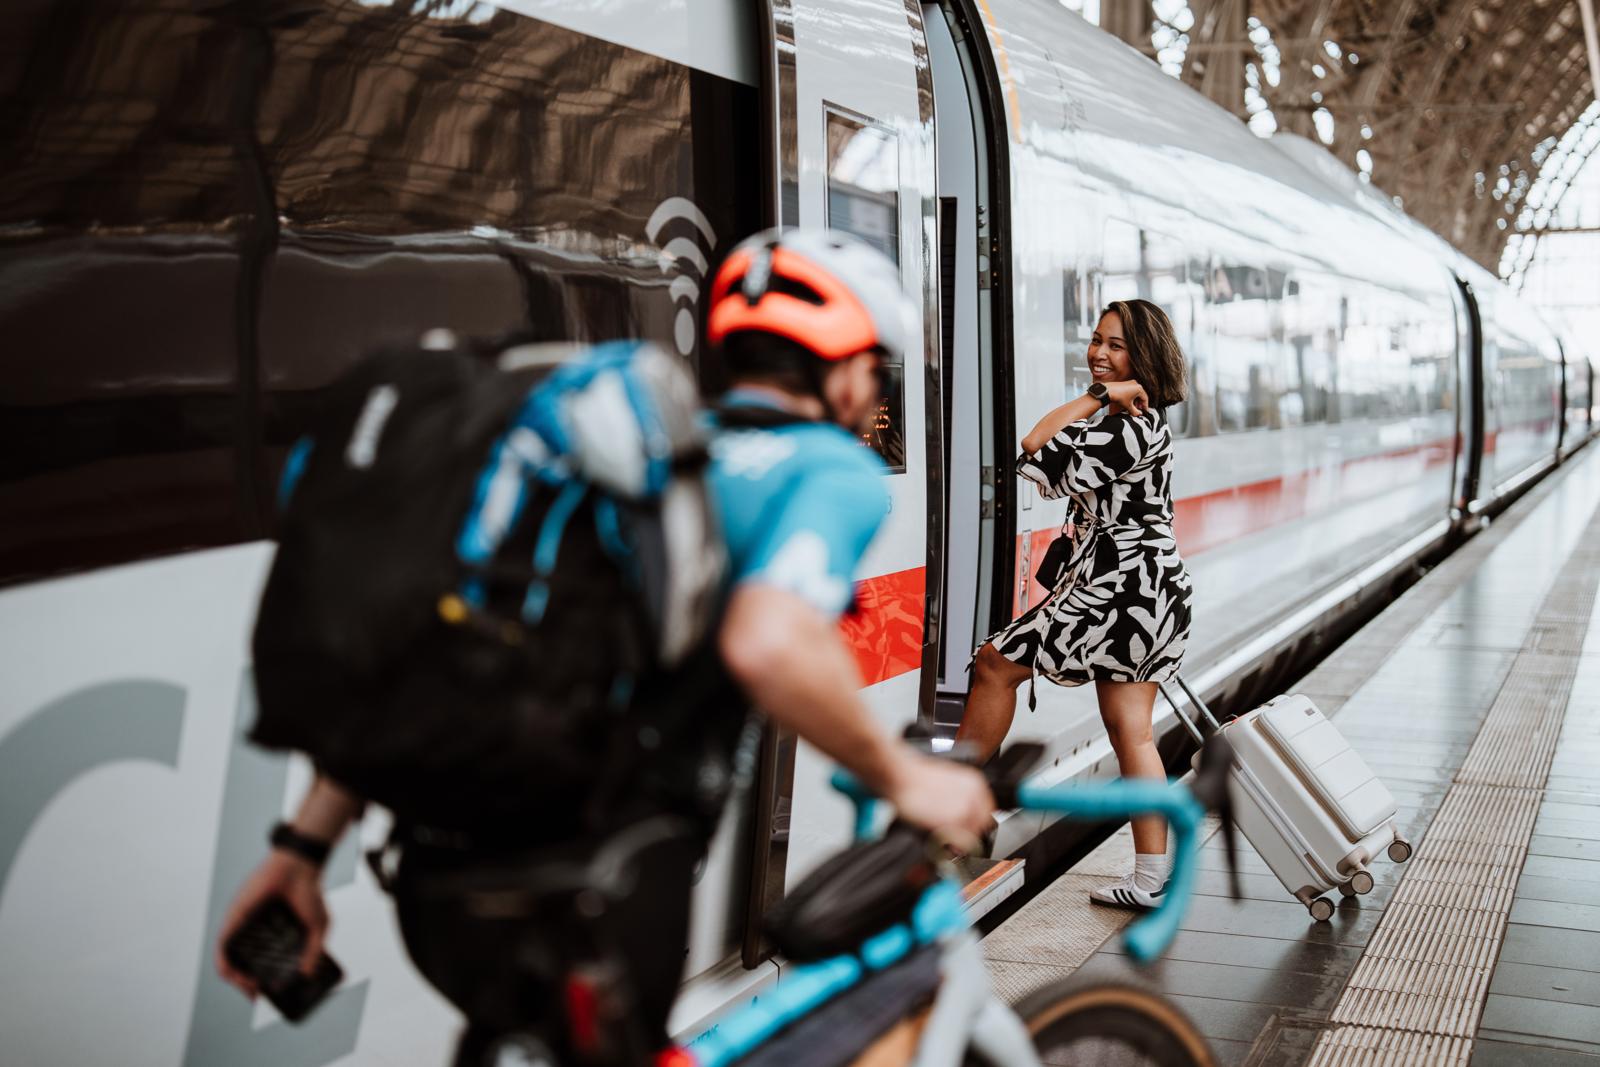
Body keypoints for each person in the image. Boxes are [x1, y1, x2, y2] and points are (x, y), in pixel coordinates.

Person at [214, 228, 996, 1063]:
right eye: (876, 367)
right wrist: (907, 775)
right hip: (596, 886)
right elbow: (770, 640)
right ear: (844, 368)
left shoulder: (634, 458)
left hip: (436, 885)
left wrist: (301, 852)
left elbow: (445, 650)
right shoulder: (825, 470)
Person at [956, 298, 1192, 911]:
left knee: (994, 664)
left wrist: (1094, 398)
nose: (1099, 354)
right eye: (1096, 341)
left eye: (1115, 345)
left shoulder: (1124, 426)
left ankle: (949, 807)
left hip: (1119, 589)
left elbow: (1032, 448)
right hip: (1147, 587)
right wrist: (1104, 396)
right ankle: (1149, 879)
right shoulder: (1143, 421)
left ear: (1144, 357)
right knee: (1131, 733)